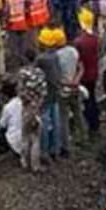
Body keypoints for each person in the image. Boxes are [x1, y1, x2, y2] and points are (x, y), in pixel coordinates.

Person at [36, 27, 66, 160]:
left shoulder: (42, 59)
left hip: (46, 94)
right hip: (55, 92)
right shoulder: (55, 55)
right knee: (56, 120)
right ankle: (56, 148)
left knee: (44, 123)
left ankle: (44, 151)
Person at [16, 49, 46, 173]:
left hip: (27, 107)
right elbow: (44, 92)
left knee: (25, 136)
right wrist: (37, 105)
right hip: (37, 107)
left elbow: (20, 91)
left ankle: (24, 162)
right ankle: (35, 165)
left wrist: (28, 102)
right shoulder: (40, 73)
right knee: (36, 138)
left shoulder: (22, 73)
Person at [55, 30, 85, 150]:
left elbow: (56, 77)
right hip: (75, 88)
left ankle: (66, 145)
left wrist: (66, 83)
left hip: (63, 90)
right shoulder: (73, 51)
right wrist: (76, 81)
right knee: (78, 113)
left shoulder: (56, 56)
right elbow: (81, 67)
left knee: (63, 117)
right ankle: (83, 137)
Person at [75, 10, 101, 141]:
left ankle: (91, 126)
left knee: (87, 101)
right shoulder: (95, 38)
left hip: (84, 75)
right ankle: (96, 123)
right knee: (93, 98)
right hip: (94, 72)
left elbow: (78, 61)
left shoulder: (79, 41)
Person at [0, 81, 23, 157]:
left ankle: (1, 148)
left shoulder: (7, 107)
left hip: (12, 138)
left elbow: (2, 125)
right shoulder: (22, 100)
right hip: (24, 134)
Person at [4, 0, 30, 66]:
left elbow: (6, 12)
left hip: (13, 24)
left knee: (13, 45)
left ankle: (15, 62)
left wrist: (5, 23)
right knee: (22, 44)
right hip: (22, 22)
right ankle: (23, 60)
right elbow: (27, 7)